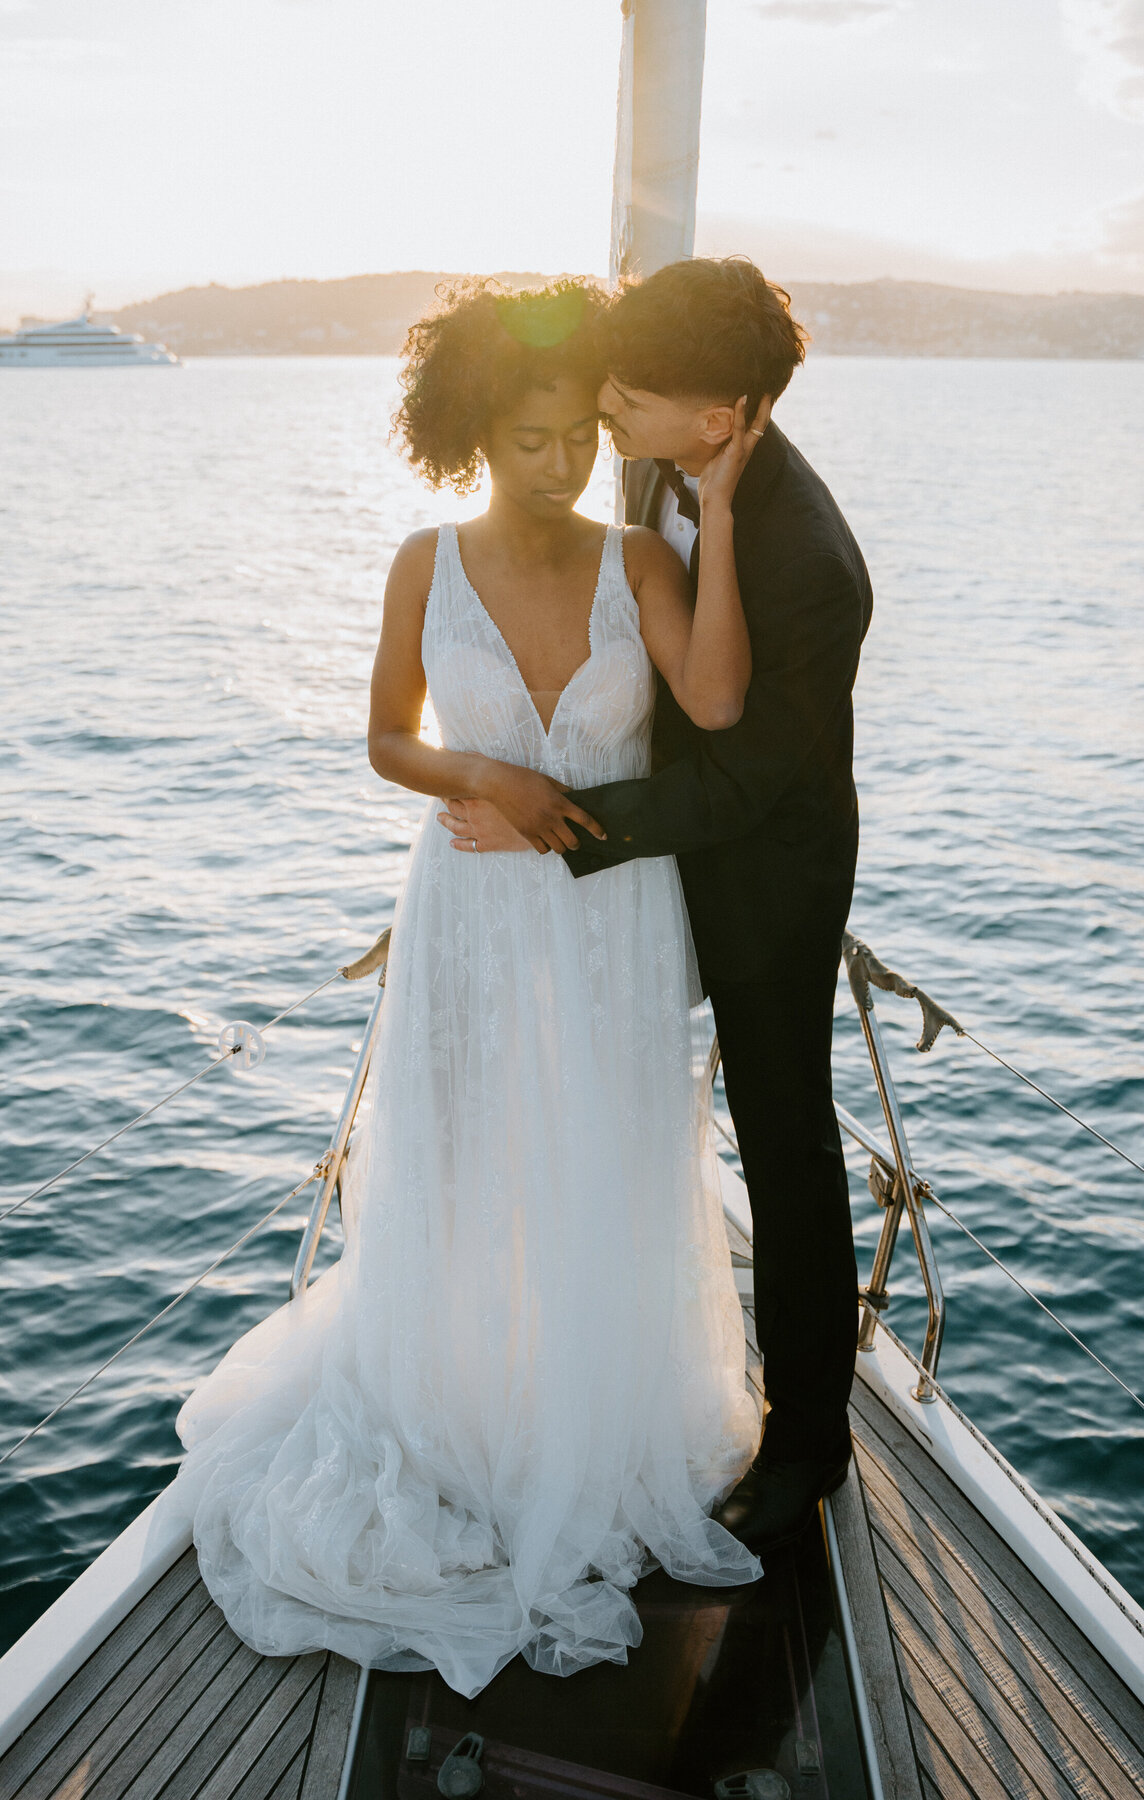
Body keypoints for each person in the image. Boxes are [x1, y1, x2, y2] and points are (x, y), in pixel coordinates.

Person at [168, 278, 768, 1702]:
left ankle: (587, 1421)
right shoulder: (421, 560)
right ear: (473, 434)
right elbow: (386, 737)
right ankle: (470, 1419)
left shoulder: (645, 556)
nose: (560, 463)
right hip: (471, 917)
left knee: (610, 1167)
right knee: (469, 1162)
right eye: (531, 438)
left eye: (577, 437)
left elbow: (723, 708)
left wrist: (722, 513)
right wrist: (482, 769)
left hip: (614, 922)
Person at [441, 258, 873, 1555]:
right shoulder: (654, 457)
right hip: (644, 863)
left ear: (722, 421)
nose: (608, 415)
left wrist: (558, 822)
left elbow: (757, 774)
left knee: (784, 1143)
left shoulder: (811, 562)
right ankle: (547, 1369)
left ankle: (809, 1445)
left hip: (762, 882)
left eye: (631, 398)